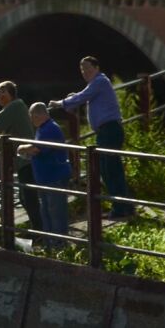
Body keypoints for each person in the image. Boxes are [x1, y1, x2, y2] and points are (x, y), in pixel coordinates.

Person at [49, 56, 134, 219]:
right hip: (106, 132)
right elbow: (82, 96)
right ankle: (125, 207)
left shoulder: (100, 81)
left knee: (110, 170)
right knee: (111, 170)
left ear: (96, 68)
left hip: (109, 131)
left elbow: (82, 96)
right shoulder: (95, 85)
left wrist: (60, 103)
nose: (85, 72)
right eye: (82, 70)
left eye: (87, 68)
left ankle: (120, 209)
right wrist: (71, 101)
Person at [0, 80, 44, 235]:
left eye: (3, 91)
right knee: (24, 197)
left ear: (11, 93)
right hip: (22, 160)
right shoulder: (13, 107)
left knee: (29, 198)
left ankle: (40, 232)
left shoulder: (16, 106)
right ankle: (39, 229)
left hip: (27, 158)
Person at [18, 103, 71, 246]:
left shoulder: (50, 129)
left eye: (31, 116)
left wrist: (20, 147)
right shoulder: (42, 128)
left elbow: (36, 149)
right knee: (46, 211)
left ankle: (59, 244)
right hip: (45, 178)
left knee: (56, 212)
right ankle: (49, 242)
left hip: (54, 177)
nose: (31, 120)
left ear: (38, 115)